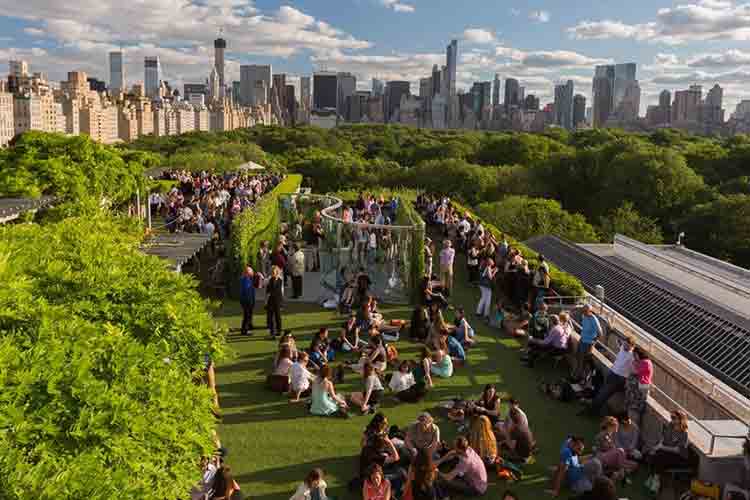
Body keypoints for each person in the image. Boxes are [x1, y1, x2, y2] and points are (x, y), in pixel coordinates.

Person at [644, 410, 691, 494]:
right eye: (671, 417)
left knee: (660, 456)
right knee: (653, 453)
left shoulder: (684, 433)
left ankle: (655, 480)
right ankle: (654, 477)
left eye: (674, 418)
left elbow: (677, 450)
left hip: (679, 457)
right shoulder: (670, 426)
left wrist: (662, 447)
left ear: (680, 419)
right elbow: (663, 439)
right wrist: (658, 446)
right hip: (667, 452)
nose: (671, 420)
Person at [586, 336, 635, 416]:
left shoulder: (632, 356)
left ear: (632, 346)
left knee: (604, 393)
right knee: (603, 392)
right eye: (624, 344)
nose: (625, 346)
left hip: (619, 378)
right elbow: (618, 340)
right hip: (612, 373)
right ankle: (596, 408)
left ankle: (593, 409)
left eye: (627, 345)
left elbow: (635, 369)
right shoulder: (623, 348)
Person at [625, 346, 653, 425]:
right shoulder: (641, 362)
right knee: (631, 408)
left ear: (638, 354)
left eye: (634, 355)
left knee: (635, 409)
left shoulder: (646, 362)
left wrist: (633, 362)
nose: (634, 357)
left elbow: (634, 371)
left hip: (641, 388)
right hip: (636, 389)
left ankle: (634, 429)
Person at [574, 305, 602, 381]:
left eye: (585, 311)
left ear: (589, 311)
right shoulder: (584, 316)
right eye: (583, 311)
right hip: (582, 340)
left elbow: (600, 333)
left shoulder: (594, 319)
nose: (583, 313)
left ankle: (579, 377)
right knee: (578, 356)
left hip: (588, 343)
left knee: (583, 361)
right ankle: (577, 374)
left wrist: (593, 343)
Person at [266, 265, 284, 339]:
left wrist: (281, 303)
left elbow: (281, 292)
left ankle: (278, 331)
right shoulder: (270, 280)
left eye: (274, 272)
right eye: (272, 272)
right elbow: (267, 291)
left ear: (277, 272)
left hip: (277, 301)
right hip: (271, 301)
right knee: (270, 317)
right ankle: (272, 331)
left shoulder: (280, 280)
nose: (273, 273)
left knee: (277, 316)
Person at [238, 266, 257, 335]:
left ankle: (248, 327)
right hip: (247, 301)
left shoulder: (247, 279)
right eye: (251, 272)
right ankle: (244, 330)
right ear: (248, 273)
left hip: (246, 300)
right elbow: (247, 291)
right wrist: (251, 301)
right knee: (247, 315)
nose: (252, 273)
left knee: (248, 315)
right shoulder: (246, 279)